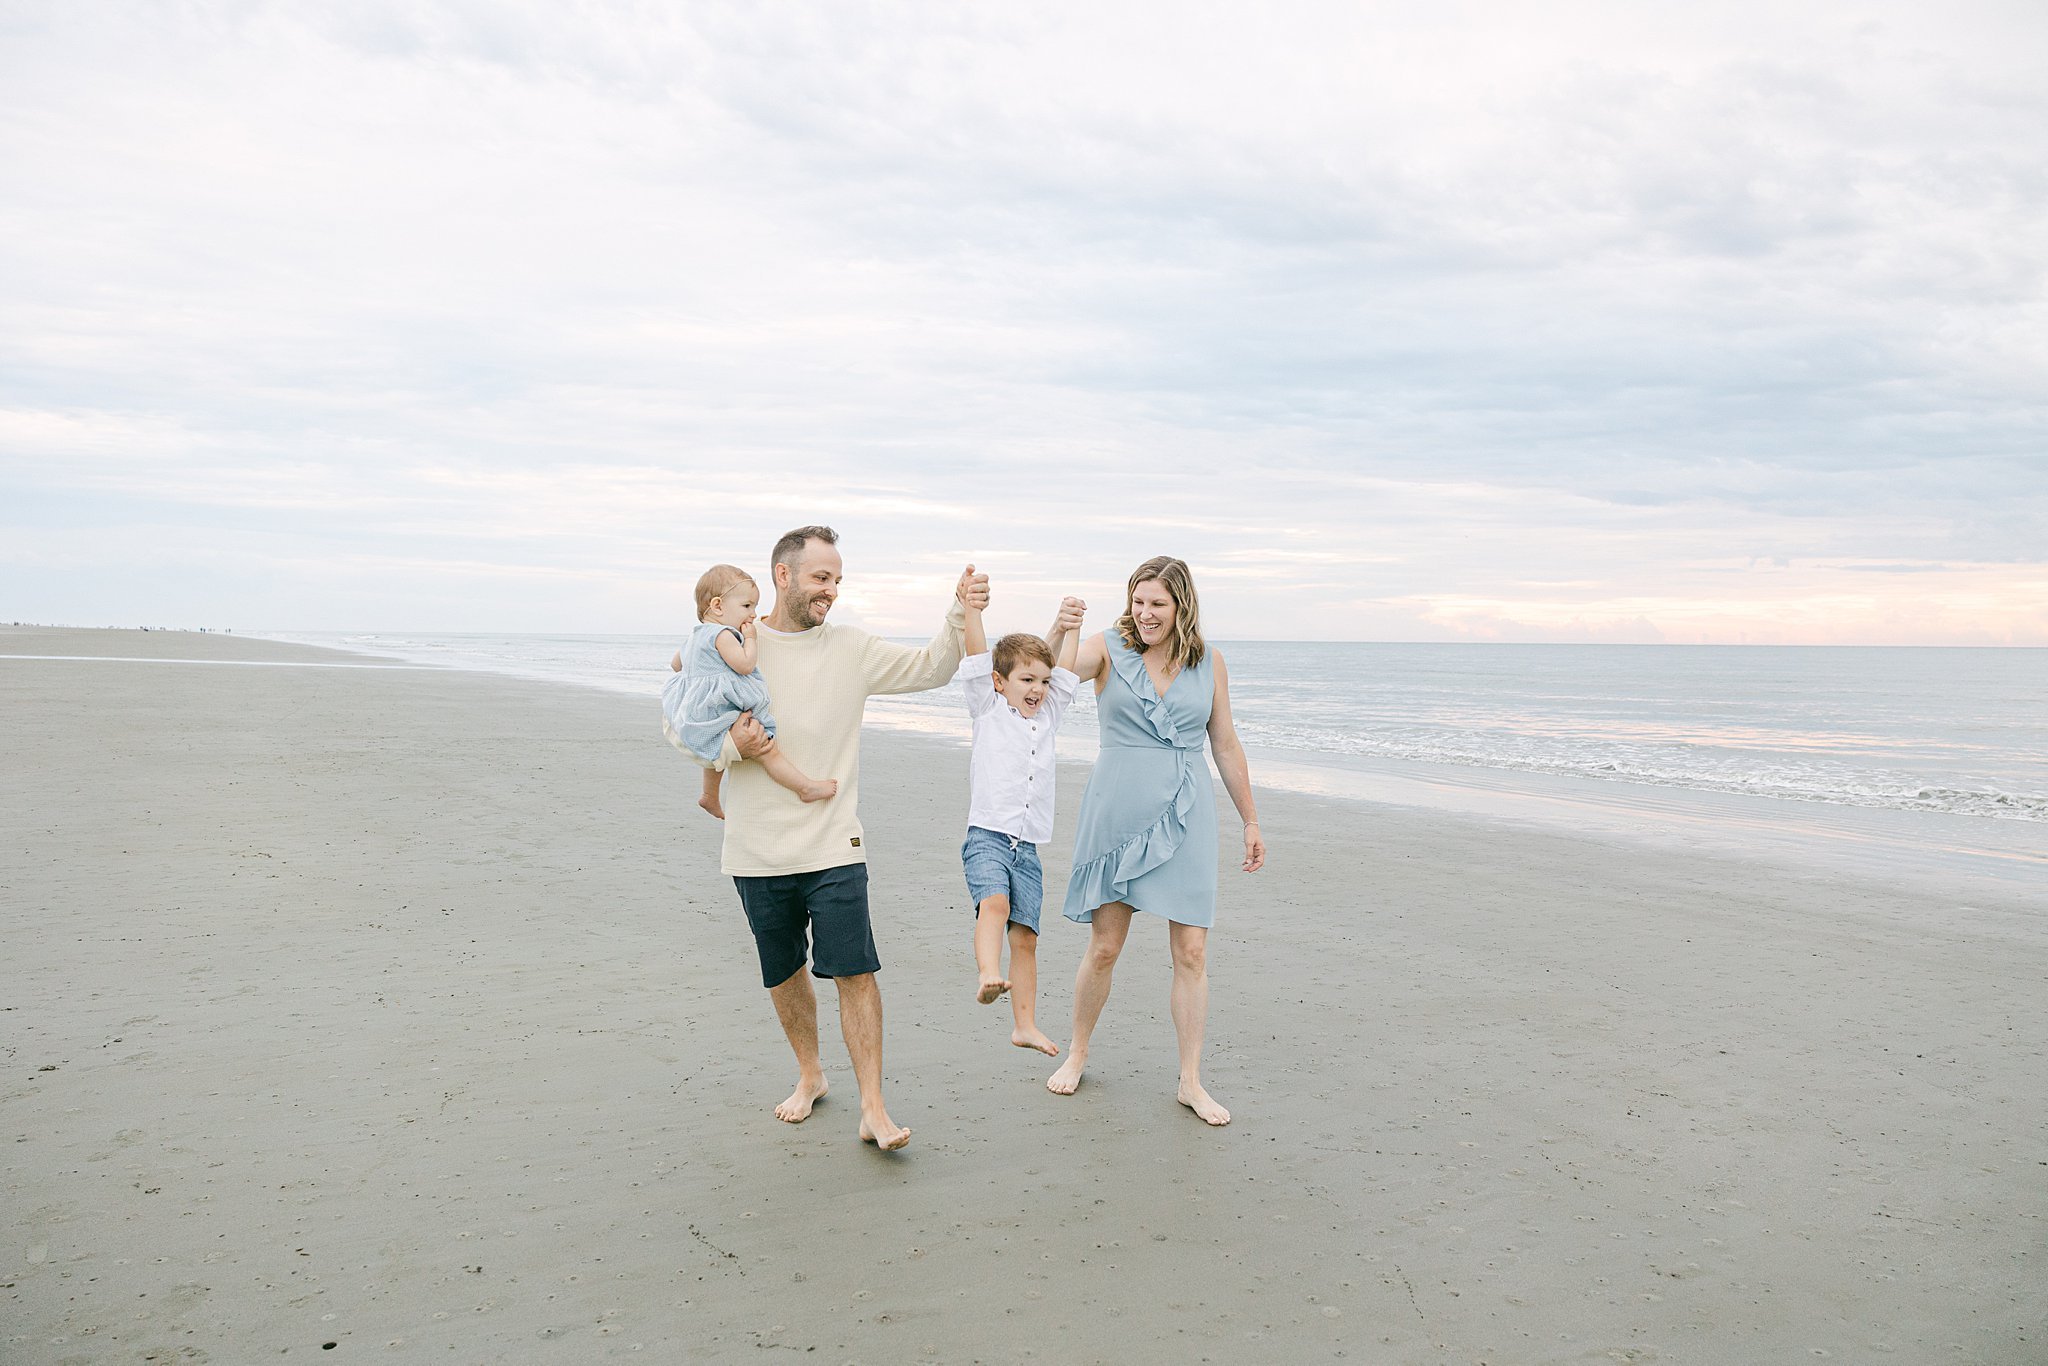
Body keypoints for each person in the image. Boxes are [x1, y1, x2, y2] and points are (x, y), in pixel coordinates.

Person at [718, 525, 987, 1151]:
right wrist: (735, 745)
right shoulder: (733, 650)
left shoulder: (851, 648)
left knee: (856, 971)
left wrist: (958, 609)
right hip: (756, 848)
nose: (832, 591)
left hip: (835, 843)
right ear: (783, 576)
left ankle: (873, 1106)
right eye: (821, 577)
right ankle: (810, 1075)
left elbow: (930, 669)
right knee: (785, 973)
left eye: (837, 580)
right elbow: (683, 726)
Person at [1045, 556, 1265, 1126]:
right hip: (1116, 808)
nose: (1144, 614)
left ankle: (1190, 1080)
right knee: (1105, 946)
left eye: (1157, 605)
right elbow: (1052, 678)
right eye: (1138, 602)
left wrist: (1251, 820)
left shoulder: (1209, 662)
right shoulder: (1105, 647)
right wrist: (1061, 628)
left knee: (1191, 951)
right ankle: (1078, 1052)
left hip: (1186, 810)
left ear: (1181, 606)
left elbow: (1226, 744)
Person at [955, 592, 1086, 1056]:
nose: (1037, 688)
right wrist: (972, 611)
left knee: (1026, 937)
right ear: (999, 681)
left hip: (1027, 846)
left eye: (1042, 681)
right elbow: (975, 653)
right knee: (994, 906)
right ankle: (989, 972)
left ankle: (1024, 1025)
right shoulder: (987, 708)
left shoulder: (1048, 714)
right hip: (988, 836)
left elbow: (1066, 674)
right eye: (1026, 679)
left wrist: (1070, 627)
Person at [664, 564, 836, 820]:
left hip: (699, 713)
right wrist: (751, 640)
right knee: (767, 750)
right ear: (718, 606)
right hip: (719, 710)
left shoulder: (694, 637)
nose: (753, 615)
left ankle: (709, 795)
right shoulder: (723, 635)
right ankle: (805, 787)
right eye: (746, 606)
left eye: (754, 607)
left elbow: (676, 665)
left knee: (715, 751)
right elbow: (745, 665)